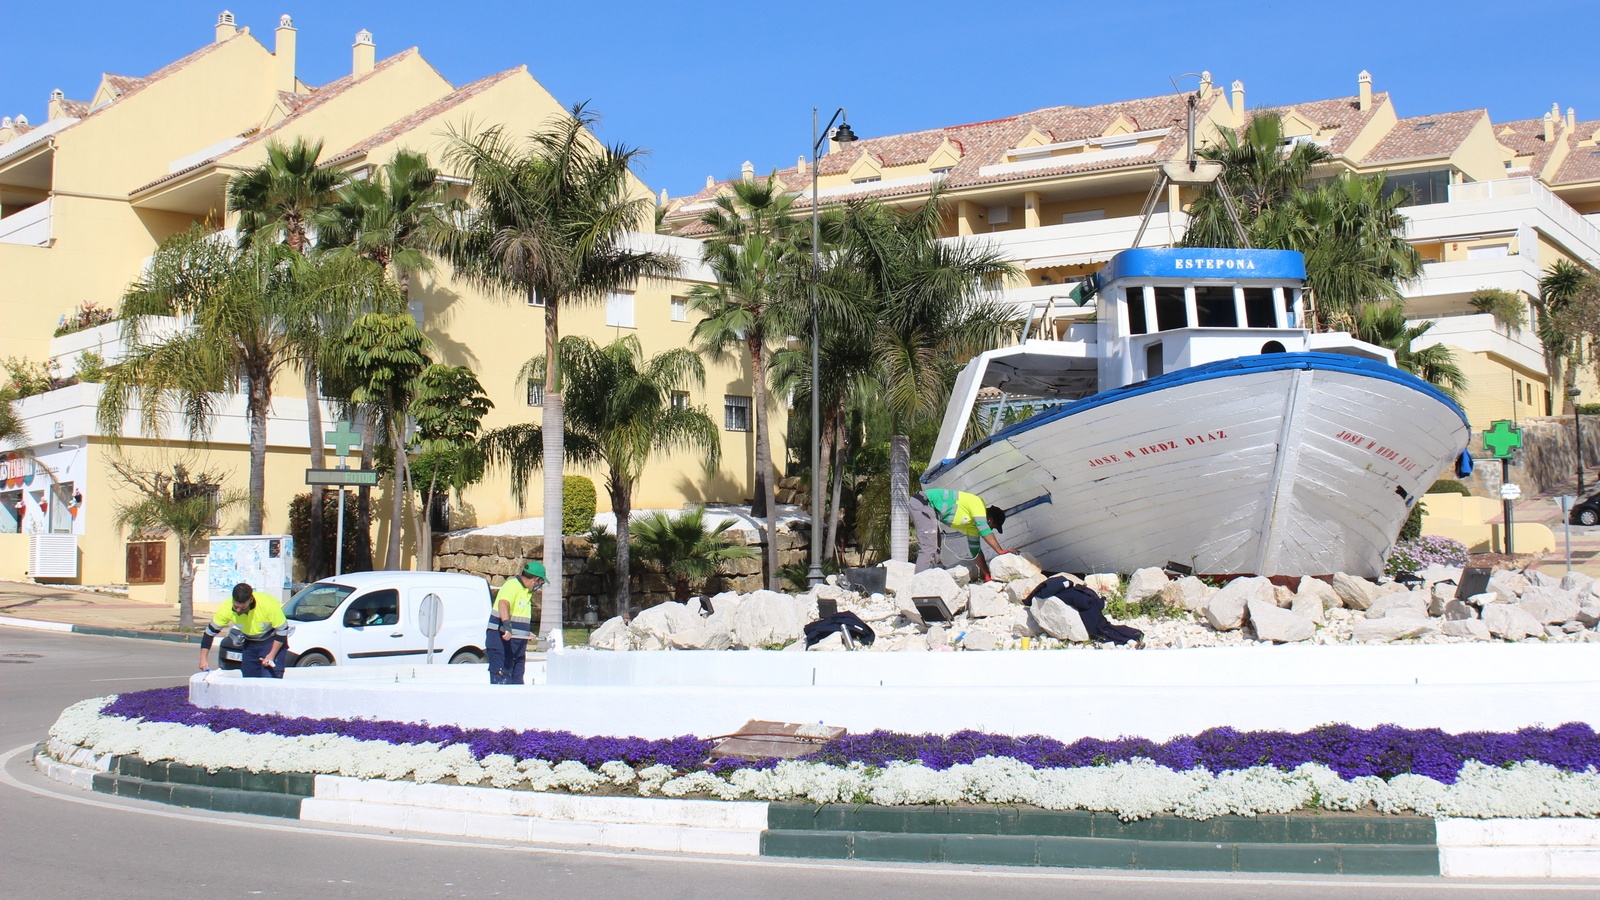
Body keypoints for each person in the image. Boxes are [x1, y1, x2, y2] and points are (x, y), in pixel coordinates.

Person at [909, 488, 1015, 580]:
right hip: (923, 501)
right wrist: (1000, 551)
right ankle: (918, 586)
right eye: (993, 527)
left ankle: (925, 581)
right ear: (990, 520)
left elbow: (975, 550)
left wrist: (986, 573)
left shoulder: (972, 525)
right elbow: (984, 529)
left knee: (936, 548)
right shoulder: (977, 504)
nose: (991, 530)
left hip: (927, 506)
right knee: (929, 547)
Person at [199, 583, 290, 677]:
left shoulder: (268, 605)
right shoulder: (227, 607)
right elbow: (209, 633)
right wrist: (203, 658)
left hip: (271, 641)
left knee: (269, 681)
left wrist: (271, 655)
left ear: (250, 600)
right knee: (248, 681)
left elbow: (282, 631)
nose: (238, 610)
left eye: (242, 607)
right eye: (235, 607)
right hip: (250, 642)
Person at [487, 561, 542, 684]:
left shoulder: (526, 593)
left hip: (517, 647)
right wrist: (507, 626)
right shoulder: (512, 585)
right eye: (540, 583)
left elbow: (518, 620)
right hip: (501, 644)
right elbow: (503, 603)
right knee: (502, 681)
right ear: (535, 580)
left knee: (517, 683)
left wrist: (526, 633)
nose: (539, 586)